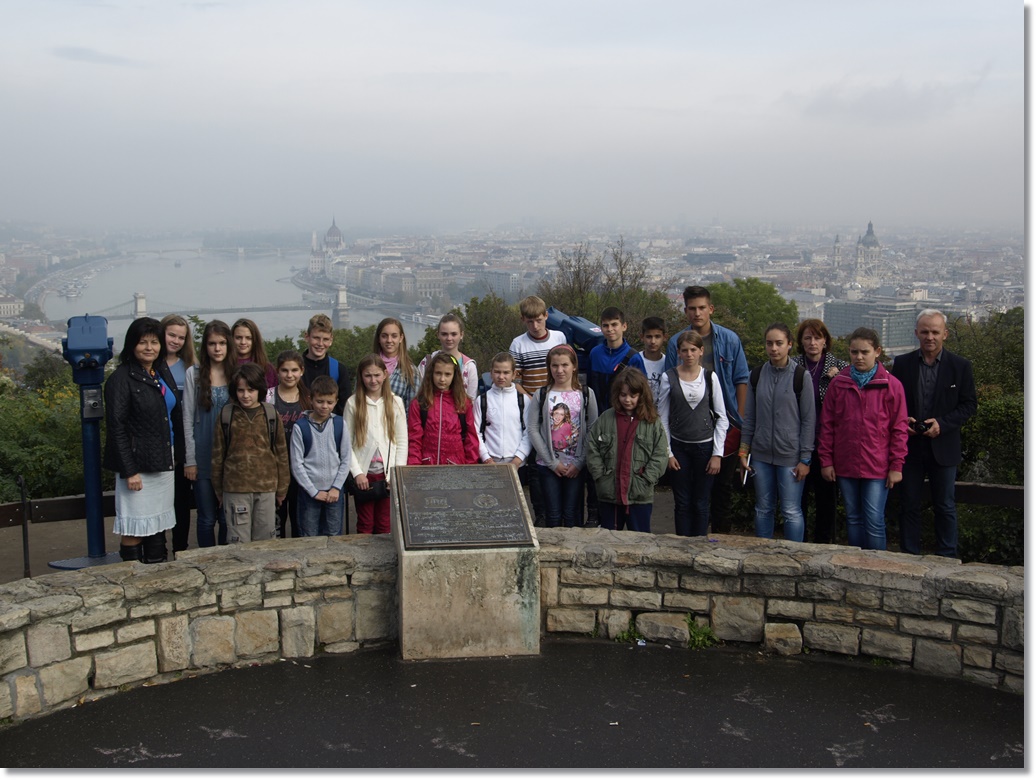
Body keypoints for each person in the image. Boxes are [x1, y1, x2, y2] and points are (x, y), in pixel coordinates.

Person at [891, 309, 977, 557]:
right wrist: (903, 420)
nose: (930, 337)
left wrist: (943, 423)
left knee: (945, 505)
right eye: (925, 331)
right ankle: (909, 554)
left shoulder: (960, 366)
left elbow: (969, 405)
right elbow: (893, 401)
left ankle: (947, 557)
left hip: (944, 446)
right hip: (910, 446)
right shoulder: (902, 363)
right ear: (916, 333)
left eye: (935, 332)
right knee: (908, 504)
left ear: (945, 334)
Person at [664, 285, 749, 534]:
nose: (697, 313)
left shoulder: (729, 340)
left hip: (725, 422)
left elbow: (741, 380)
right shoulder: (676, 343)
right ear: (685, 311)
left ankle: (719, 541)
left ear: (711, 309)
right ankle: (689, 540)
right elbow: (670, 384)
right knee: (689, 491)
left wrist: (739, 420)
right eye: (692, 308)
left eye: (702, 308)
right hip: (687, 426)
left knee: (722, 488)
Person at [818, 327, 908, 551]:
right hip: (846, 463)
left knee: (874, 520)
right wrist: (826, 461)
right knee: (853, 517)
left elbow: (899, 429)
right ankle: (855, 563)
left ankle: (876, 565)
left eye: (864, 352)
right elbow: (827, 425)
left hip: (877, 465)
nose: (859, 357)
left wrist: (896, 465)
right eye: (854, 352)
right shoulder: (839, 383)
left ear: (877, 351)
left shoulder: (891, 385)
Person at [103, 317, 180, 564]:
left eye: (154, 342)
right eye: (143, 342)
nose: (149, 348)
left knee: (158, 522)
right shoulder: (121, 379)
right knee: (134, 525)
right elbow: (116, 428)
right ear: (131, 345)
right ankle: (133, 576)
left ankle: (157, 572)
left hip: (163, 459)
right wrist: (129, 471)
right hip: (137, 466)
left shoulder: (160, 372)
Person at [738, 323, 816, 542]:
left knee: (791, 510)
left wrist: (805, 459)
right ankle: (763, 553)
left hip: (790, 455)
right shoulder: (756, 375)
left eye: (779, 343)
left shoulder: (800, 376)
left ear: (789, 344)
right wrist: (743, 452)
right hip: (761, 454)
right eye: (769, 343)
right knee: (763, 508)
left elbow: (809, 421)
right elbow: (749, 417)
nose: (774, 348)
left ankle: (794, 555)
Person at [657, 330, 728, 536]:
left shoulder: (710, 377)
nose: (689, 354)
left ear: (701, 351)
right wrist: (668, 453)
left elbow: (721, 417)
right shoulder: (668, 377)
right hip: (679, 447)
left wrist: (717, 454)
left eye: (693, 350)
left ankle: (700, 545)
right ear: (678, 352)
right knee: (682, 502)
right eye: (685, 350)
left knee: (701, 502)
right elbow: (662, 417)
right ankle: (681, 545)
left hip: (705, 447)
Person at [211, 363, 290, 544]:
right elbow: (217, 455)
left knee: (265, 541)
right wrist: (219, 489)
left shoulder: (270, 414)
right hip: (235, 488)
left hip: (266, 488)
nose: (245, 395)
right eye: (241, 390)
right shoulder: (226, 415)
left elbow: (281, 454)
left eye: (251, 390)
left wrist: (282, 488)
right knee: (238, 542)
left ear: (259, 390)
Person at [525, 344, 599, 528]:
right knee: (553, 514)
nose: (560, 370)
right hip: (548, 465)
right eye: (555, 365)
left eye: (565, 365)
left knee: (572, 513)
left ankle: (574, 545)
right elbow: (533, 428)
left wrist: (580, 462)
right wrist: (551, 462)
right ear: (549, 367)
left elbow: (593, 428)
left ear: (574, 366)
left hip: (576, 465)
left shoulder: (586, 394)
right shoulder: (542, 394)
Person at [509, 295, 568, 526]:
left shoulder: (559, 338)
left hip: (558, 407)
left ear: (546, 316)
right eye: (530, 321)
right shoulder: (518, 344)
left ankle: (561, 511)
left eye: (539, 320)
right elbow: (515, 380)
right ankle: (541, 513)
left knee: (558, 455)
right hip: (532, 407)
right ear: (523, 320)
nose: (535, 326)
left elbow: (566, 369)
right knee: (535, 464)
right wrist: (534, 399)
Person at [586, 368, 668, 532]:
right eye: (623, 395)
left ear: (641, 395)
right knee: (609, 540)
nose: (627, 400)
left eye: (633, 395)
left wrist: (647, 479)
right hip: (610, 494)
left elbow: (660, 454)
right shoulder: (605, 418)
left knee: (640, 540)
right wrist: (600, 476)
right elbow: (592, 447)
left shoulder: (652, 422)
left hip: (639, 496)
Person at [791, 318, 849, 543]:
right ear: (801, 341)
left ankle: (824, 545)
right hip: (797, 443)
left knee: (827, 501)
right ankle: (800, 544)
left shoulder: (841, 368)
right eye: (808, 338)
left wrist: (837, 380)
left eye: (817, 337)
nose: (812, 342)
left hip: (827, 444)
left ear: (825, 341)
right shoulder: (793, 366)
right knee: (798, 500)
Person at [183, 319, 233, 547]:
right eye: (212, 344)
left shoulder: (236, 374)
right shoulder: (193, 374)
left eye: (222, 343)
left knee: (226, 518)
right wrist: (190, 460)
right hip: (202, 455)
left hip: (230, 458)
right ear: (205, 346)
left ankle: (224, 561)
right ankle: (206, 561)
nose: (217, 348)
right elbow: (187, 419)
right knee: (206, 518)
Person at [344, 355, 408, 534]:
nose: (373, 380)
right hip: (364, 476)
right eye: (368, 375)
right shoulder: (353, 403)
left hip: (387, 476)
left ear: (385, 375)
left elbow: (402, 441)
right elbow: (346, 443)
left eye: (377, 375)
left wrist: (396, 473)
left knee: (385, 523)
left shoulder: (395, 402)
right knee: (365, 523)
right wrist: (357, 473)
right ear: (361, 376)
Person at [290, 375, 351, 536]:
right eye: (319, 401)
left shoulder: (340, 424)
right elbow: (296, 464)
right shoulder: (300, 427)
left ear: (336, 401)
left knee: (334, 534)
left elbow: (346, 459)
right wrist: (313, 491)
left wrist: (336, 487)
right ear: (310, 399)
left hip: (334, 492)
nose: (324, 406)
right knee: (309, 535)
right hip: (309, 492)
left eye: (329, 402)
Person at [266, 349, 312, 538]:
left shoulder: (308, 399)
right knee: (277, 518)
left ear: (301, 371)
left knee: (299, 519)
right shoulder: (268, 397)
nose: (289, 375)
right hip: (275, 467)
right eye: (285, 370)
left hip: (302, 467)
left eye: (294, 370)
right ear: (277, 371)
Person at [160, 314, 194, 553]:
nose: (175, 341)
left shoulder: (189, 367)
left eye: (181, 337)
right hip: (158, 441)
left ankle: (180, 548)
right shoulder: (151, 366)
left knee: (181, 501)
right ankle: (158, 549)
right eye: (171, 335)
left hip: (181, 443)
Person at [407, 352, 480, 465]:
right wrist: (414, 467)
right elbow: (414, 439)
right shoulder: (419, 403)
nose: (442, 379)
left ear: (454, 375)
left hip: (456, 467)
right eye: (438, 373)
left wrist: (470, 467)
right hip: (427, 466)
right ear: (431, 373)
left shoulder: (464, 403)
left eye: (447, 374)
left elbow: (471, 438)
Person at [474, 352, 532, 468]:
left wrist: (518, 459)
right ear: (491, 373)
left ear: (514, 374)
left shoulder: (523, 400)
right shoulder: (482, 400)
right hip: (490, 464)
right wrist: (486, 458)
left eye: (506, 372)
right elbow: (476, 432)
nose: (501, 377)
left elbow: (529, 432)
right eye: (497, 372)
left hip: (518, 465)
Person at [416, 313, 478, 399]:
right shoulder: (427, 362)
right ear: (438, 335)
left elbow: (471, 400)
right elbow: (418, 392)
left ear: (461, 335)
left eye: (453, 334)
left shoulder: (469, 367)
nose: (449, 338)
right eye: (444, 334)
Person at [587, 306, 637, 413]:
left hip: (623, 416)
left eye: (614, 324)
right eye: (605, 325)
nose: (610, 329)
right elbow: (590, 385)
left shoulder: (634, 357)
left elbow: (639, 393)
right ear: (601, 328)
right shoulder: (595, 354)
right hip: (598, 416)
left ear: (624, 326)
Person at [301, 313, 352, 415]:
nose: (320, 344)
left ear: (331, 340)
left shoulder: (339, 370)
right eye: (316, 338)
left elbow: (344, 407)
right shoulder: (294, 369)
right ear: (307, 337)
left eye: (325, 339)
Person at [374, 317, 418, 413]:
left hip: (396, 422)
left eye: (394, 336)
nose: (389, 340)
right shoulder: (368, 366)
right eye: (384, 336)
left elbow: (412, 410)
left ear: (401, 338)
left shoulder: (410, 371)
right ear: (379, 338)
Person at [628, 316, 667, 404]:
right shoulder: (636, 360)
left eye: (657, 337)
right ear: (642, 337)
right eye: (649, 337)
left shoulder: (667, 362)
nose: (653, 341)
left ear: (664, 337)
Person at [231, 317, 277, 391]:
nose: (243, 342)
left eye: (248, 338)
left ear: (255, 340)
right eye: (238, 338)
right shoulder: (226, 366)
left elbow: (272, 395)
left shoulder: (267, 368)